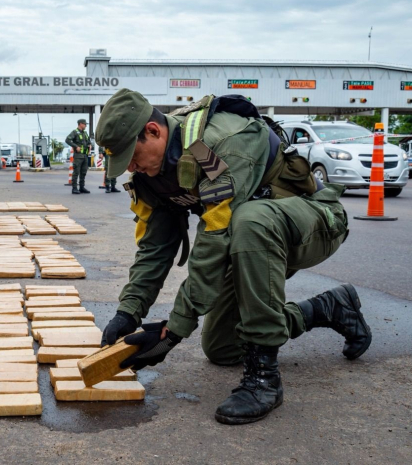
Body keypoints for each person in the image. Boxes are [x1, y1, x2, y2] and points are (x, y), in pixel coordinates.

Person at [96, 89, 371, 425]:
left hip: (313, 223)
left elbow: (215, 239)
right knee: (222, 348)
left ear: (153, 131)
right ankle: (328, 308)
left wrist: (174, 330)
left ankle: (264, 379)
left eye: (132, 156)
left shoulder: (218, 144)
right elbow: (154, 248)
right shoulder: (152, 175)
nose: (131, 167)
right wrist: (128, 312)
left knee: (250, 221)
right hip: (253, 243)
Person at [66, 119, 92, 194]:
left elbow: (88, 142)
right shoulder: (75, 132)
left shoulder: (85, 133)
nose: (86, 126)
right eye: (84, 124)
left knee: (83, 172)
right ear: (80, 124)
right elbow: (67, 140)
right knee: (76, 172)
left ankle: (82, 187)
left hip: (85, 156)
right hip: (78, 156)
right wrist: (75, 146)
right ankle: (74, 188)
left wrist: (90, 145)